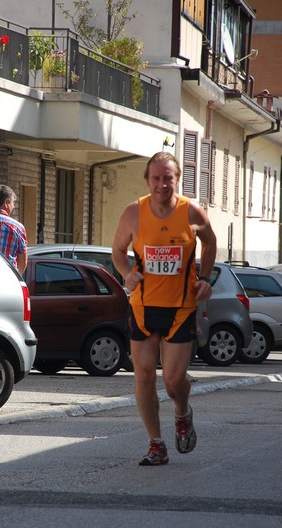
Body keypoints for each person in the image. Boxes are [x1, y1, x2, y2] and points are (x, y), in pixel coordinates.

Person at [112, 152, 217, 466]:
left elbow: (210, 243)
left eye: (167, 178)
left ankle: (182, 413)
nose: (161, 184)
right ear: (148, 181)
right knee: (143, 377)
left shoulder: (192, 212)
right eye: (156, 178)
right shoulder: (134, 213)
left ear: (177, 180)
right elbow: (117, 250)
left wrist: (205, 278)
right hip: (143, 307)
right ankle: (156, 443)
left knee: (173, 380)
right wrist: (126, 272)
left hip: (181, 308)